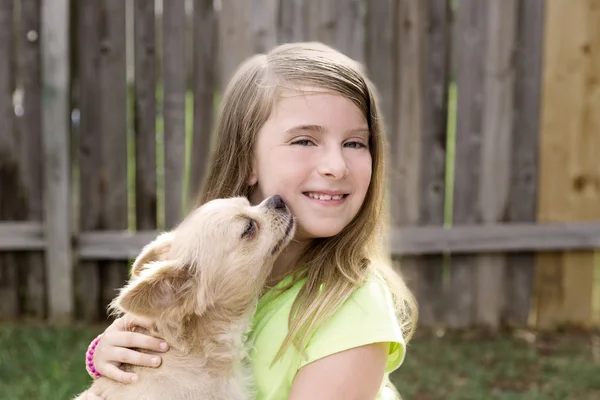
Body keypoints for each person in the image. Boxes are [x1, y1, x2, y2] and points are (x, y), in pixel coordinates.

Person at [80, 41, 418, 400]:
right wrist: (111, 355)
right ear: (248, 159)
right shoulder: (219, 276)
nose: (336, 166)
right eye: (305, 140)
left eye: (355, 143)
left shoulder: (355, 307)